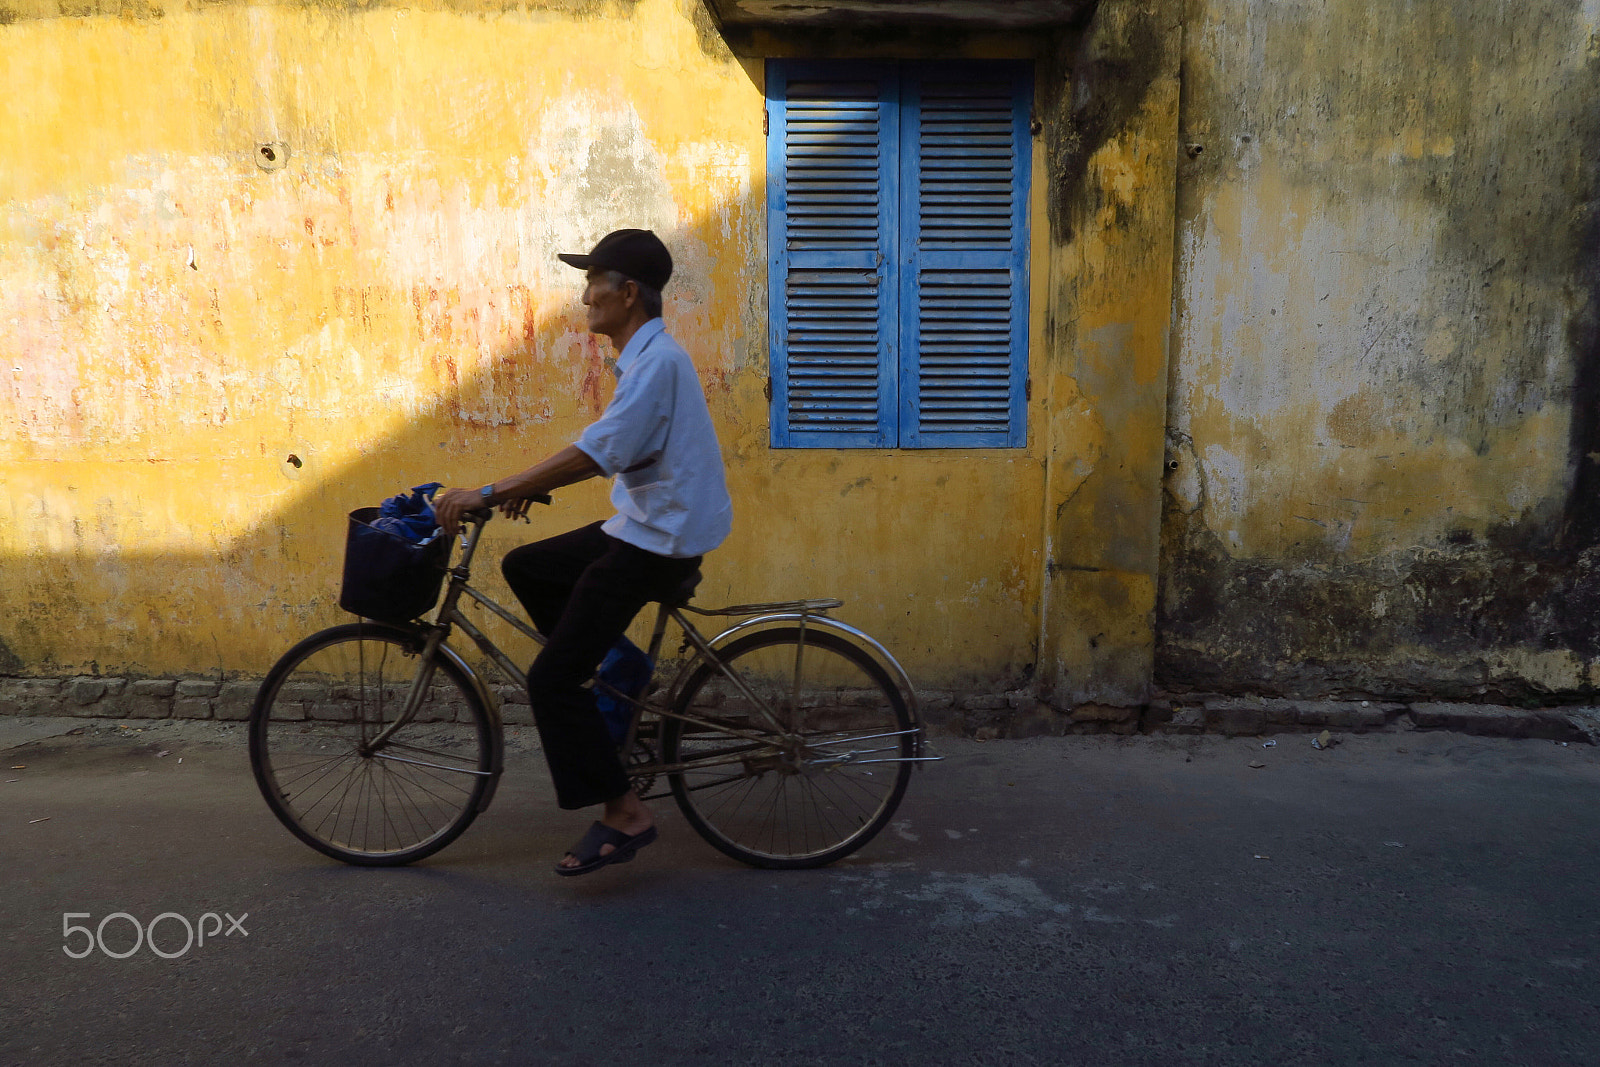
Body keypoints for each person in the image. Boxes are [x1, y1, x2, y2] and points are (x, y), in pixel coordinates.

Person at [433, 228, 732, 876]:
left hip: (660, 541)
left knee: (552, 679)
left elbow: (599, 452)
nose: (584, 293)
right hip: (650, 523)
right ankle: (620, 668)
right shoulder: (646, 358)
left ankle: (626, 812)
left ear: (627, 293)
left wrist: (491, 490)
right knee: (528, 566)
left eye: (594, 281)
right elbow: (613, 447)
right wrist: (525, 487)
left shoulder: (657, 364)